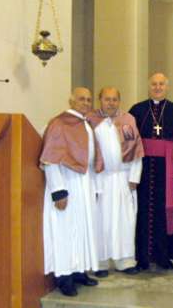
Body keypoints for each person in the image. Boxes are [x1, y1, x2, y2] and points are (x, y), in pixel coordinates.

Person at [40, 87, 102, 296]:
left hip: (84, 184)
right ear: (71, 100)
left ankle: (79, 271)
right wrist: (58, 191)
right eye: (81, 99)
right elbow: (50, 160)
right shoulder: (59, 123)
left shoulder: (86, 124)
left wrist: (94, 186)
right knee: (66, 231)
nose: (85, 103)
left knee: (83, 229)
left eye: (89, 100)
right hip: (67, 184)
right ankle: (64, 276)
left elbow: (90, 160)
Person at [129, 73, 173, 270]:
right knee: (143, 211)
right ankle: (142, 257)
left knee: (165, 211)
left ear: (167, 87)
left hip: (168, 169)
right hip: (144, 169)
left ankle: (164, 256)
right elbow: (129, 142)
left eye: (161, 84)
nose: (157, 87)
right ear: (148, 86)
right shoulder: (137, 110)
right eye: (154, 84)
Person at [87, 87, 144, 277]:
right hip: (101, 178)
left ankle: (125, 260)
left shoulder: (128, 120)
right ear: (99, 100)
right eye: (107, 99)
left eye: (114, 99)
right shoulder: (90, 121)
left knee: (126, 220)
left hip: (123, 178)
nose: (110, 103)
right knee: (100, 221)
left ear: (119, 101)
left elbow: (136, 150)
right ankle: (101, 262)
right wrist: (92, 180)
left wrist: (134, 177)